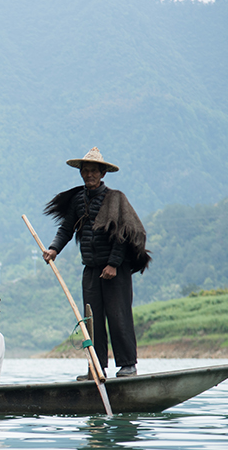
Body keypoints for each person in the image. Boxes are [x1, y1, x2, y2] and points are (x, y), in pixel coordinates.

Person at [41, 147, 150, 379]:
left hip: (115, 270)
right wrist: (53, 249)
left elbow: (124, 234)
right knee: (91, 320)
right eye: (85, 171)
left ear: (103, 174)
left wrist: (113, 264)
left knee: (119, 316)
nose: (89, 175)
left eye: (94, 171)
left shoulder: (116, 199)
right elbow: (66, 228)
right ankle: (96, 368)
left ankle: (128, 365)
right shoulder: (78, 200)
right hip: (91, 269)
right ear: (81, 173)